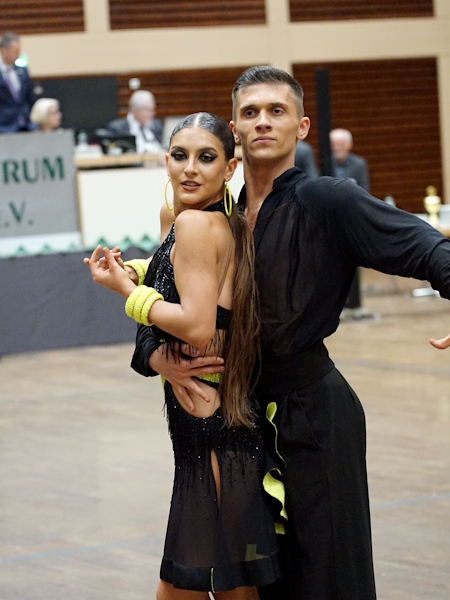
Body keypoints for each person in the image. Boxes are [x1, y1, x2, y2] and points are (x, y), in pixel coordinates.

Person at [132, 66, 450, 600]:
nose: (262, 121)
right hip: (243, 425)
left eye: (276, 111)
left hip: (315, 421)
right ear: (235, 129)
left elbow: (425, 245)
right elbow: (165, 293)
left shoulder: (329, 200)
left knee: (329, 581)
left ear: (301, 127)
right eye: (250, 112)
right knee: (265, 585)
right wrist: (154, 356)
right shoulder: (218, 212)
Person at [85, 112, 280, 599]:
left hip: (215, 432)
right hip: (204, 430)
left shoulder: (194, 223)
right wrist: (136, 275)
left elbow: (195, 323)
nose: (190, 168)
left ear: (229, 169)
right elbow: (178, 278)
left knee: (196, 589)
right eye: (180, 155)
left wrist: (126, 292)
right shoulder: (182, 217)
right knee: (217, 588)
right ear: (166, 161)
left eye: (206, 157)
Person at [330, 128, 370, 313]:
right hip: (331, 219)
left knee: (353, 258)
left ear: (349, 145)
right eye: (334, 144)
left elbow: (364, 191)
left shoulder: (359, 164)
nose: (337, 147)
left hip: (352, 219)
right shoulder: (325, 162)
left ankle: (354, 301)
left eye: (340, 143)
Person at [107, 89, 164, 154]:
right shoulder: (117, 129)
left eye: (153, 109)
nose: (152, 114)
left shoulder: (156, 125)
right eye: (148, 110)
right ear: (135, 111)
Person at [0, 32, 36, 133]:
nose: (18, 54)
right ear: (3, 51)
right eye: (15, 51)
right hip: (4, 126)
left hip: (25, 124)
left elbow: (29, 98)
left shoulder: (23, 71)